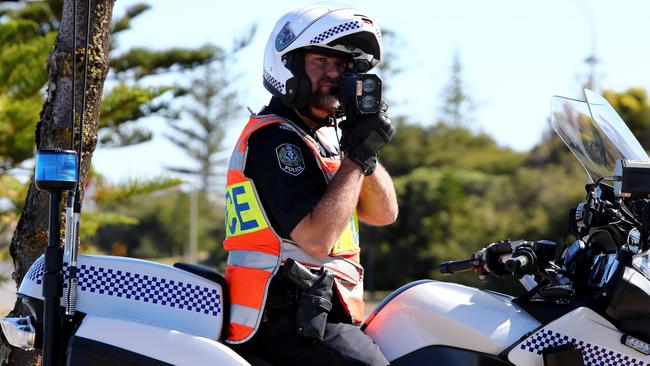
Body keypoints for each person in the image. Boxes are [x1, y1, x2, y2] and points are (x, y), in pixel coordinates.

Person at [223, 4, 398, 366]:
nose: (336, 74)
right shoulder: (275, 139)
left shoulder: (326, 140)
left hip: (315, 317)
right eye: (322, 61)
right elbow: (316, 241)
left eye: (344, 65)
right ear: (287, 65)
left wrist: (361, 145)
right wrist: (355, 160)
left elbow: (384, 213)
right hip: (283, 323)